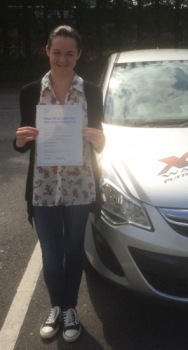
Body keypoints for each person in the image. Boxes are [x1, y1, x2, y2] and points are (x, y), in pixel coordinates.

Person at [13, 25, 104, 343]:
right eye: (57, 52)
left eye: (69, 53)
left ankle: (70, 309)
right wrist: (20, 140)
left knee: (74, 250)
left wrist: (99, 138)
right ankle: (56, 305)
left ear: (79, 54)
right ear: (47, 51)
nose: (62, 59)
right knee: (52, 255)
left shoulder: (91, 91)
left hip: (80, 186)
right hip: (44, 186)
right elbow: (23, 143)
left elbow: (102, 143)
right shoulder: (29, 92)